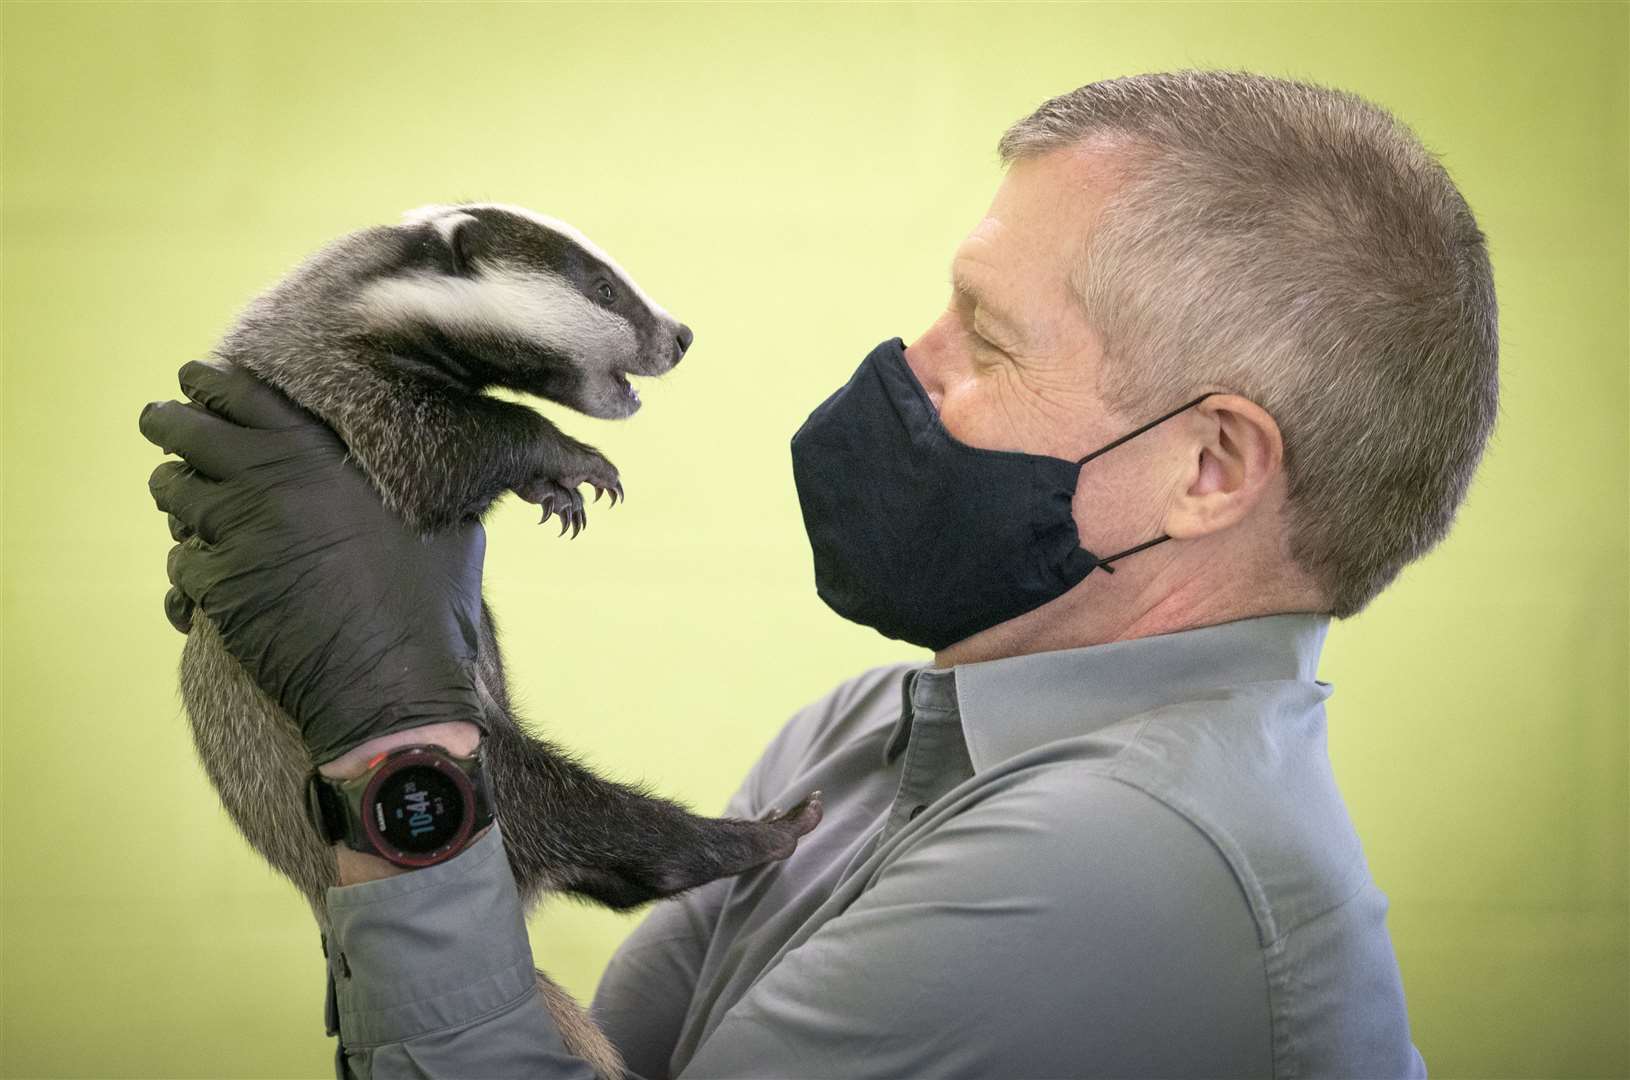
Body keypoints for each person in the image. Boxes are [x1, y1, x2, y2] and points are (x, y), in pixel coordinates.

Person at [140, 70, 1497, 1079]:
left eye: (988, 337)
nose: (908, 361)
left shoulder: (1115, 865)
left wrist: (394, 748)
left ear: (1207, 469)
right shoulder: (869, 731)